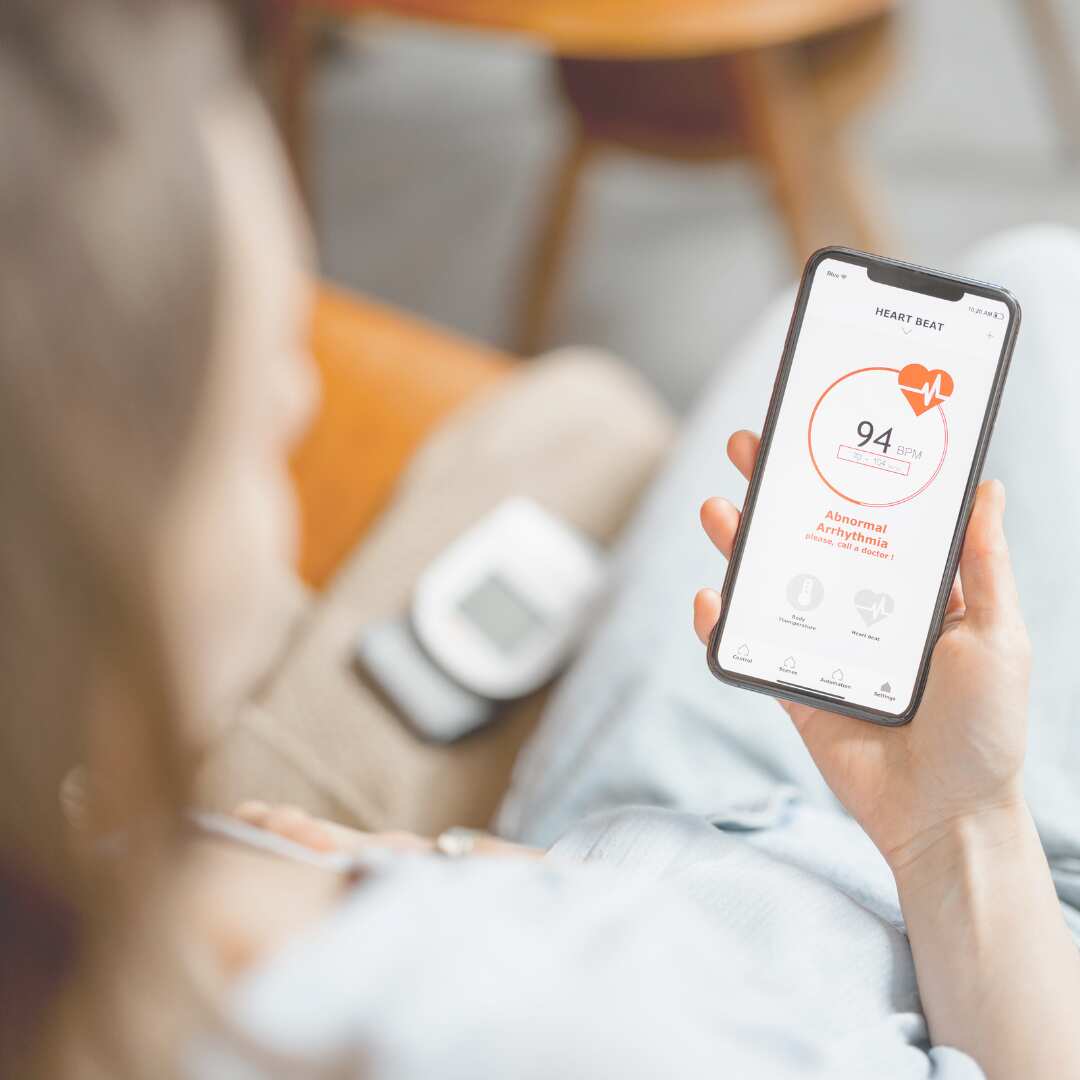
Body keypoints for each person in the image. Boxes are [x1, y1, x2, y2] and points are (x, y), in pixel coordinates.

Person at [2, 1, 1079, 1077]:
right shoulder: (556, 1039)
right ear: (95, 566)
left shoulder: (96, 906)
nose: (298, 396)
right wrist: (964, 833)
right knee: (1042, 292)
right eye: (254, 420)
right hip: (967, 960)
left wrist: (445, 874)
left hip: (644, 854)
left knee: (1033, 287)